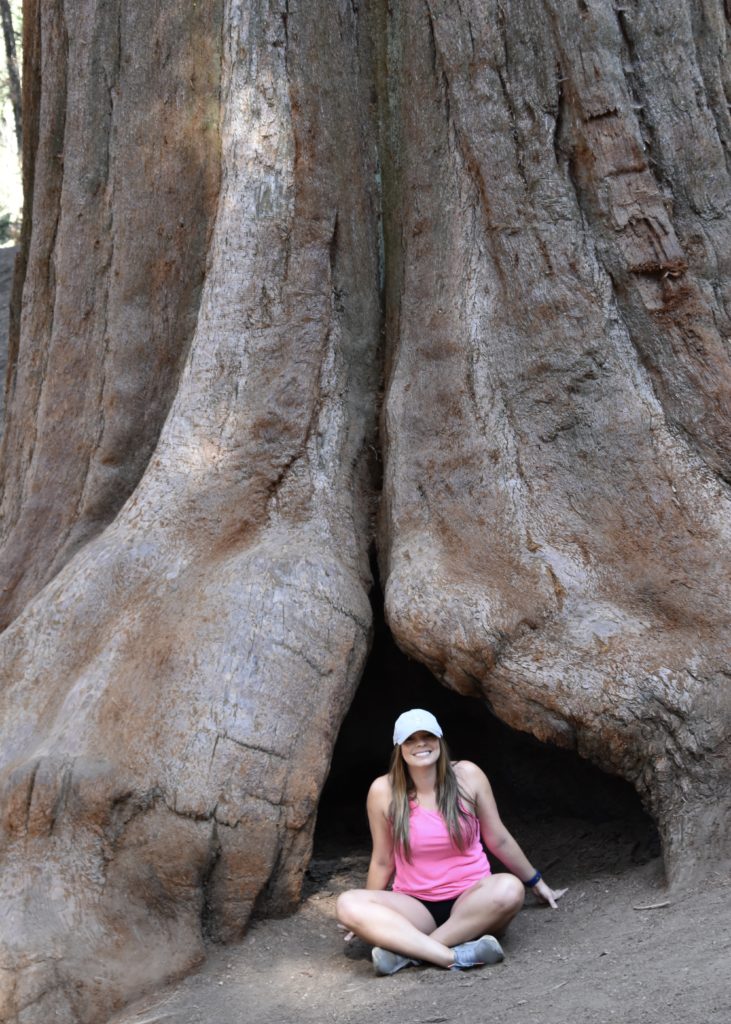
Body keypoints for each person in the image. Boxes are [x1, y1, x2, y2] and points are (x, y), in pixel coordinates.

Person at [336, 708, 567, 975]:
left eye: (428, 736)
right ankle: (453, 955)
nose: (420, 744)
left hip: (472, 900)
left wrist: (535, 881)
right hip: (415, 906)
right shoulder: (382, 791)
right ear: (399, 748)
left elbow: (498, 838)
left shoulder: (469, 775)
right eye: (411, 739)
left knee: (510, 889)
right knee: (348, 904)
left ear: (439, 740)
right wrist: (368, 911)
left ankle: (407, 955)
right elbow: (382, 860)